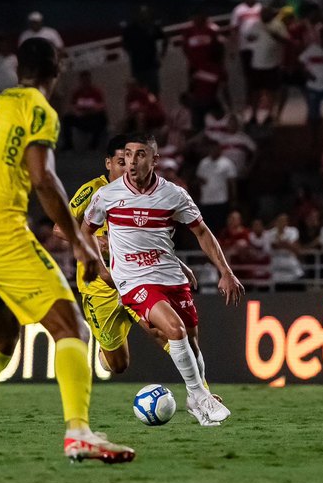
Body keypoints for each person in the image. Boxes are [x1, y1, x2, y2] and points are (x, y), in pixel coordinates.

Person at [0, 38, 133, 465]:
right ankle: (79, 432)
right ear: (55, 70)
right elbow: (42, 178)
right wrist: (79, 243)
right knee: (70, 326)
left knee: (2, 336)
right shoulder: (39, 109)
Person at [83, 133, 244, 426]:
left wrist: (226, 271)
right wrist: (97, 264)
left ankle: (197, 403)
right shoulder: (106, 195)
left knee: (192, 345)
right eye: (128, 155)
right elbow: (85, 231)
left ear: (154, 160)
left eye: (140, 154)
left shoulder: (174, 195)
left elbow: (202, 233)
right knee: (175, 328)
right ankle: (200, 396)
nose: (132, 161)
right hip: (132, 280)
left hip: (169, 275)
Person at [59, 134, 182, 374]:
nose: (128, 167)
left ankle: (201, 392)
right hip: (98, 285)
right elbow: (58, 227)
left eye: (130, 160)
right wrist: (96, 239)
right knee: (118, 365)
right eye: (121, 161)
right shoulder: (94, 190)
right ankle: (107, 351)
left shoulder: (143, 193)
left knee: (164, 332)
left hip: (135, 276)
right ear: (108, 164)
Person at [122, 5, 167, 95]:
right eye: (141, 13)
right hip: (137, 68)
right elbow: (124, 44)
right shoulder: (130, 29)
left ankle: (154, 108)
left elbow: (164, 38)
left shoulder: (152, 27)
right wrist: (132, 53)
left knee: (153, 93)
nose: (143, 15)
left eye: (145, 13)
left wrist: (162, 54)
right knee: (139, 94)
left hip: (151, 67)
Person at [61, 71, 107, 151]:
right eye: (83, 80)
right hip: (80, 118)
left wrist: (91, 110)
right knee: (66, 118)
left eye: (87, 80)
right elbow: (72, 106)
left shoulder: (95, 91)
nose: (85, 82)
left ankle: (94, 144)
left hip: (93, 117)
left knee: (102, 117)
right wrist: (77, 112)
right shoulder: (77, 93)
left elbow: (101, 106)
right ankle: (68, 144)